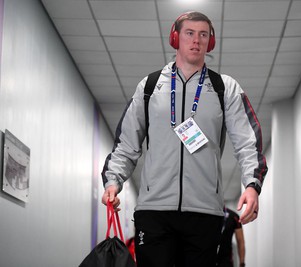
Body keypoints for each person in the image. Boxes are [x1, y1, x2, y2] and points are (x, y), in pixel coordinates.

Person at [101, 11, 267, 267]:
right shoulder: (150, 86)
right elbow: (127, 144)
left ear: (210, 42)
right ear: (175, 38)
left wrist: (251, 185)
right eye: (190, 33)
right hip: (154, 211)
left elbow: (248, 143)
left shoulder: (225, 89)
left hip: (205, 213)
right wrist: (113, 181)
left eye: (204, 35)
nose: (196, 40)